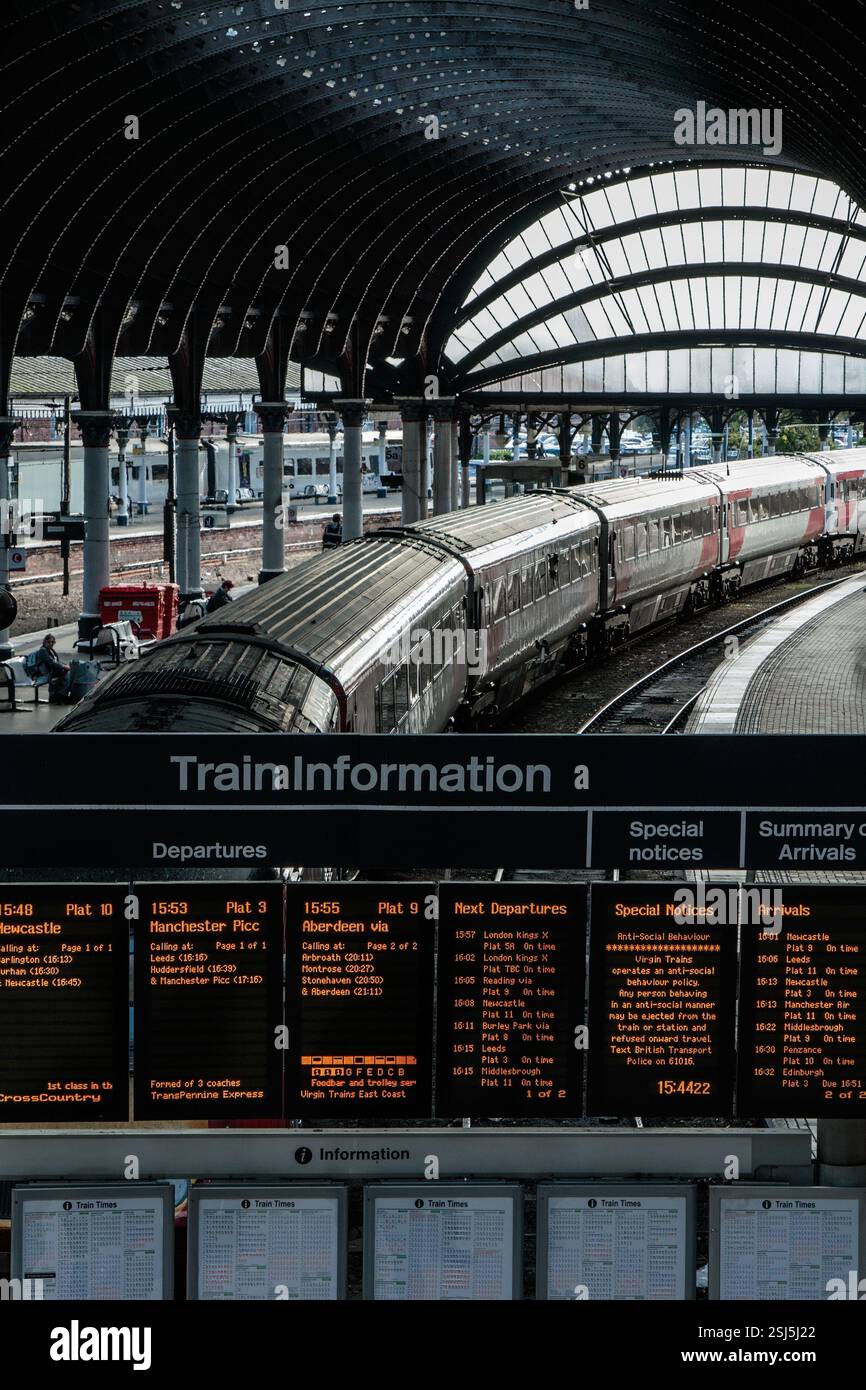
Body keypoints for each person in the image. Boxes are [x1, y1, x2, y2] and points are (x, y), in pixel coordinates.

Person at [31, 633, 71, 702]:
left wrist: (66, 665)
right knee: (66, 675)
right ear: (44, 642)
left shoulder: (51, 650)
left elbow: (56, 661)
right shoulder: (43, 651)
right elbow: (51, 662)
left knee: (67, 673)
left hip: (51, 671)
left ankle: (60, 695)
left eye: (53, 642)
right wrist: (64, 666)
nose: (51, 643)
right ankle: (59, 696)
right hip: (44, 673)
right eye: (49, 642)